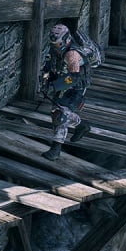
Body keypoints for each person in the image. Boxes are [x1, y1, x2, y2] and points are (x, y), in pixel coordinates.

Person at [39, 23, 91, 160]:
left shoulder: (72, 54)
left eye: (57, 44)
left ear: (66, 40)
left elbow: (74, 78)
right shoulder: (54, 49)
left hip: (76, 87)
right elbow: (48, 66)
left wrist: (54, 86)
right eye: (54, 44)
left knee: (60, 114)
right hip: (62, 83)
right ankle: (82, 125)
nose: (55, 46)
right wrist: (45, 80)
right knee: (55, 113)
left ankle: (56, 149)